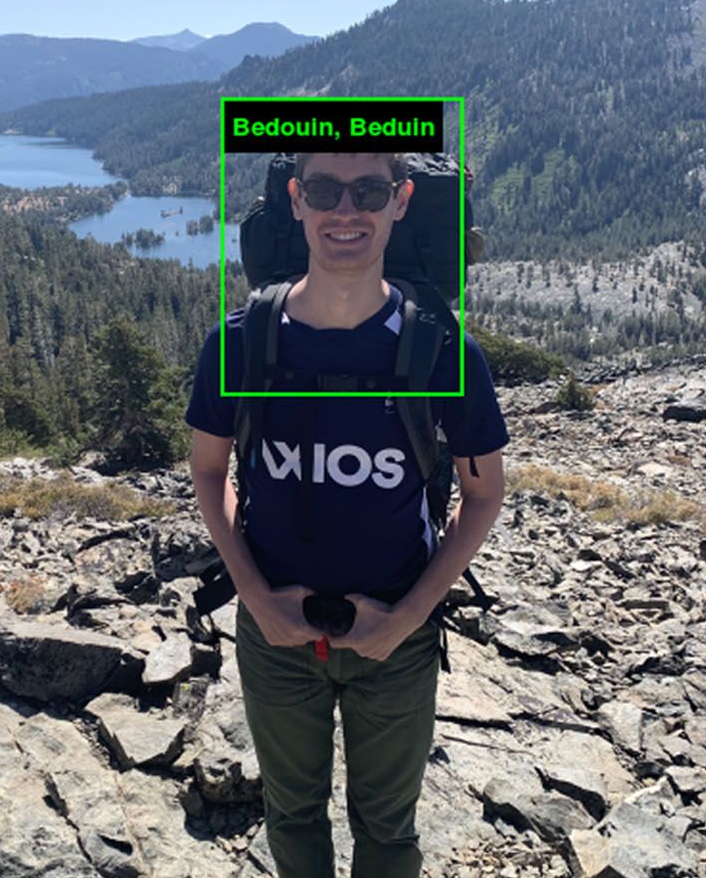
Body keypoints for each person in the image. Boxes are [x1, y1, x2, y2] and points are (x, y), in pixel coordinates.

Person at [185, 150, 508, 877]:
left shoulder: (444, 350)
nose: (346, 211)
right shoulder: (238, 343)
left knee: (387, 831)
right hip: (274, 640)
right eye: (326, 189)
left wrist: (407, 619)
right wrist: (257, 601)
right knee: (292, 815)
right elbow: (209, 474)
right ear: (296, 201)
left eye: (369, 190)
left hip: (398, 637)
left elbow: (483, 493)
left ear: (400, 202)